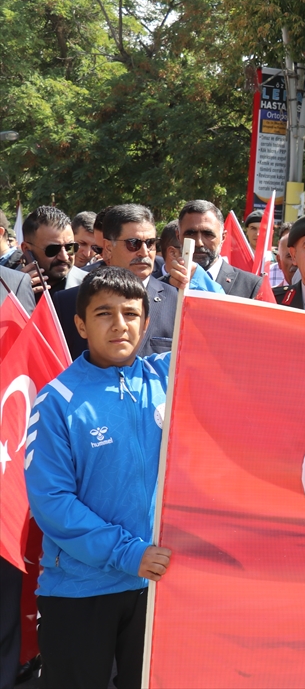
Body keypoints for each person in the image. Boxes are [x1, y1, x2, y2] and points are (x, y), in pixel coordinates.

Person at [24, 267, 173, 688]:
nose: (120, 325)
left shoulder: (171, 378)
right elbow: (52, 502)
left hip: (158, 585)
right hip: (80, 590)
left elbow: (224, 336)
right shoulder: (57, 401)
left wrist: (195, 283)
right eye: (104, 313)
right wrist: (129, 553)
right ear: (81, 325)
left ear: (147, 322)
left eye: (131, 313)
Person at [55, 204, 177, 361]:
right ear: (108, 248)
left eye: (150, 243)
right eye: (133, 243)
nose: (144, 252)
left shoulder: (176, 301)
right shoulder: (68, 302)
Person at [177, 200, 263, 299]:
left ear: (223, 237)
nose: (199, 243)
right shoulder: (164, 285)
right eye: (190, 234)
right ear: (178, 236)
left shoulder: (251, 286)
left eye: (208, 234)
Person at [20, 205, 87, 297]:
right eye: (53, 249)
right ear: (26, 249)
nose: (64, 257)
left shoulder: (91, 287)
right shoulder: (8, 287)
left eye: (70, 247)